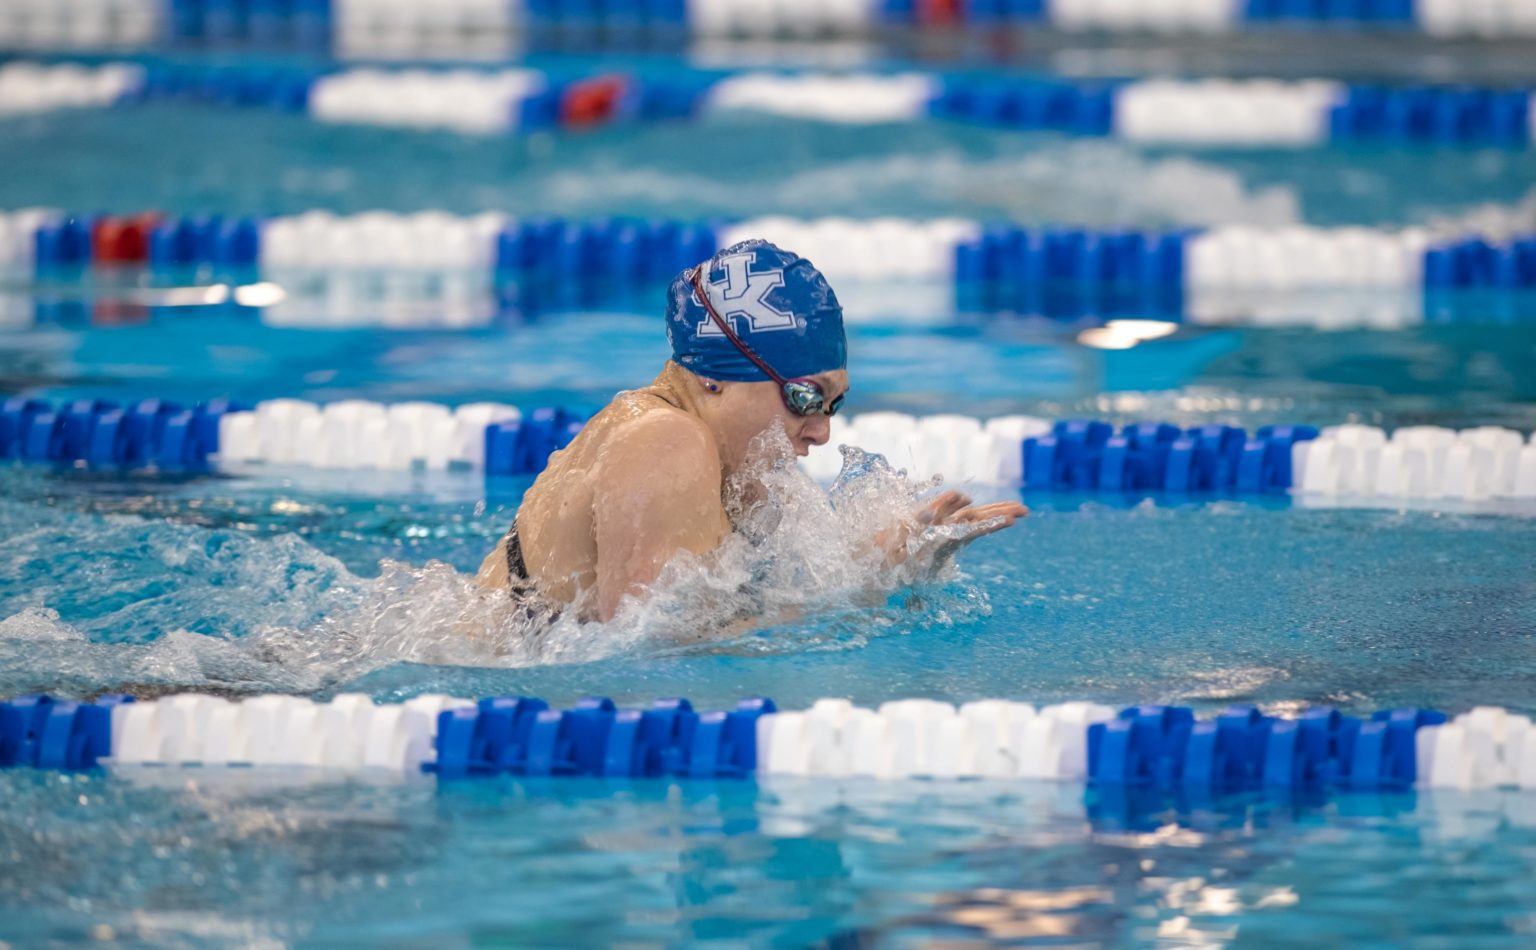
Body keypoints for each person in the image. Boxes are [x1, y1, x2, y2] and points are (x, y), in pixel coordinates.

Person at [477, 239, 1027, 623]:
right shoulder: (665, 440)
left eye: (833, 404)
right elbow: (645, 654)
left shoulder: (735, 465)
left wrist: (885, 564)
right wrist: (863, 594)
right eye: (804, 396)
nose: (820, 432)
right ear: (716, 376)